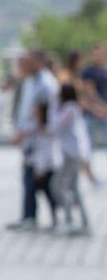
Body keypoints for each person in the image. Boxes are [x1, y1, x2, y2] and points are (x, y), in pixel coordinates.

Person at [8, 48, 62, 232]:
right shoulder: (30, 81)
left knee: (40, 179)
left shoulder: (46, 84)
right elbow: (25, 110)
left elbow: (42, 117)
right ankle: (30, 216)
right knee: (32, 179)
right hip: (30, 139)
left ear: (38, 61)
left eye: (28, 60)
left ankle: (41, 216)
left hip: (40, 140)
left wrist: (24, 133)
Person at [50, 84, 92, 233]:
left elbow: (55, 126)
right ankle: (84, 220)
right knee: (73, 188)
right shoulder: (72, 108)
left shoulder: (69, 109)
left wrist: (53, 107)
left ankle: (69, 219)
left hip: (71, 153)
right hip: (72, 152)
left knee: (59, 185)